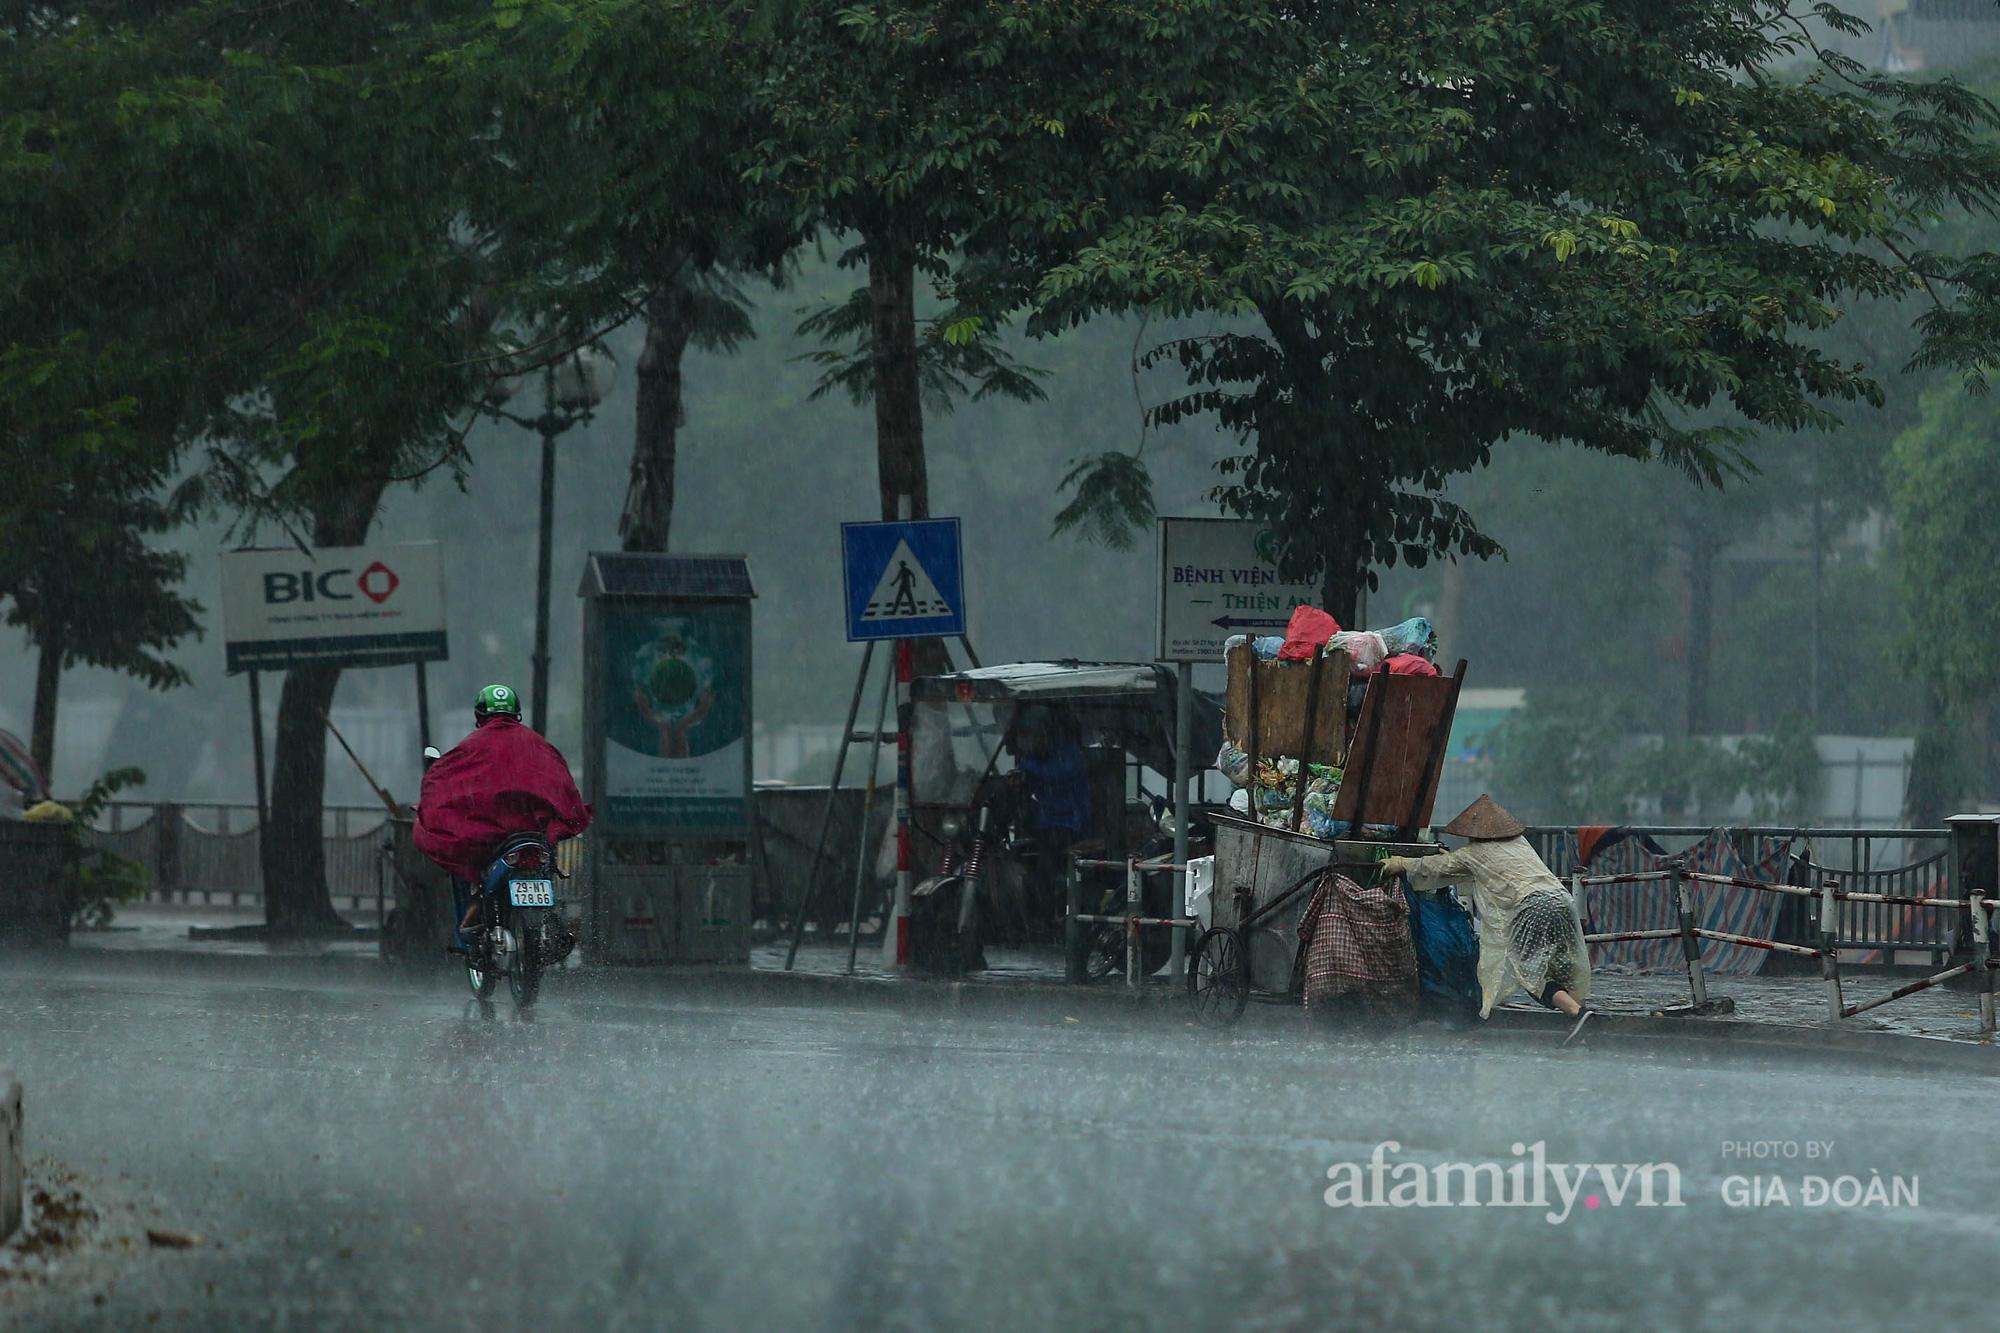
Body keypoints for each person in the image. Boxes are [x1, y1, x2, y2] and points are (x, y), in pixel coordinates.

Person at [1381, 795, 1594, 1044]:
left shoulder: (1474, 853)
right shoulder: (1519, 842)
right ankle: (1582, 1024)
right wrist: (1451, 858)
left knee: (1527, 970)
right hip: (1561, 898)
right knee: (1563, 962)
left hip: (1532, 906)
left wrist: (1401, 863)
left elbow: (1438, 868)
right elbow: (1471, 865)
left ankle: (1578, 1013)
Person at [414, 683, 592, 944]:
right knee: (546, 857)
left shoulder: (470, 747)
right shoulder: (539, 746)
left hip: (492, 838)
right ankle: (549, 921)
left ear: (479, 715)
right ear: (516, 713)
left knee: (469, 864)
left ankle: (475, 909)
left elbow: (443, 782)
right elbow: (562, 787)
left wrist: (432, 804)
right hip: (533, 835)